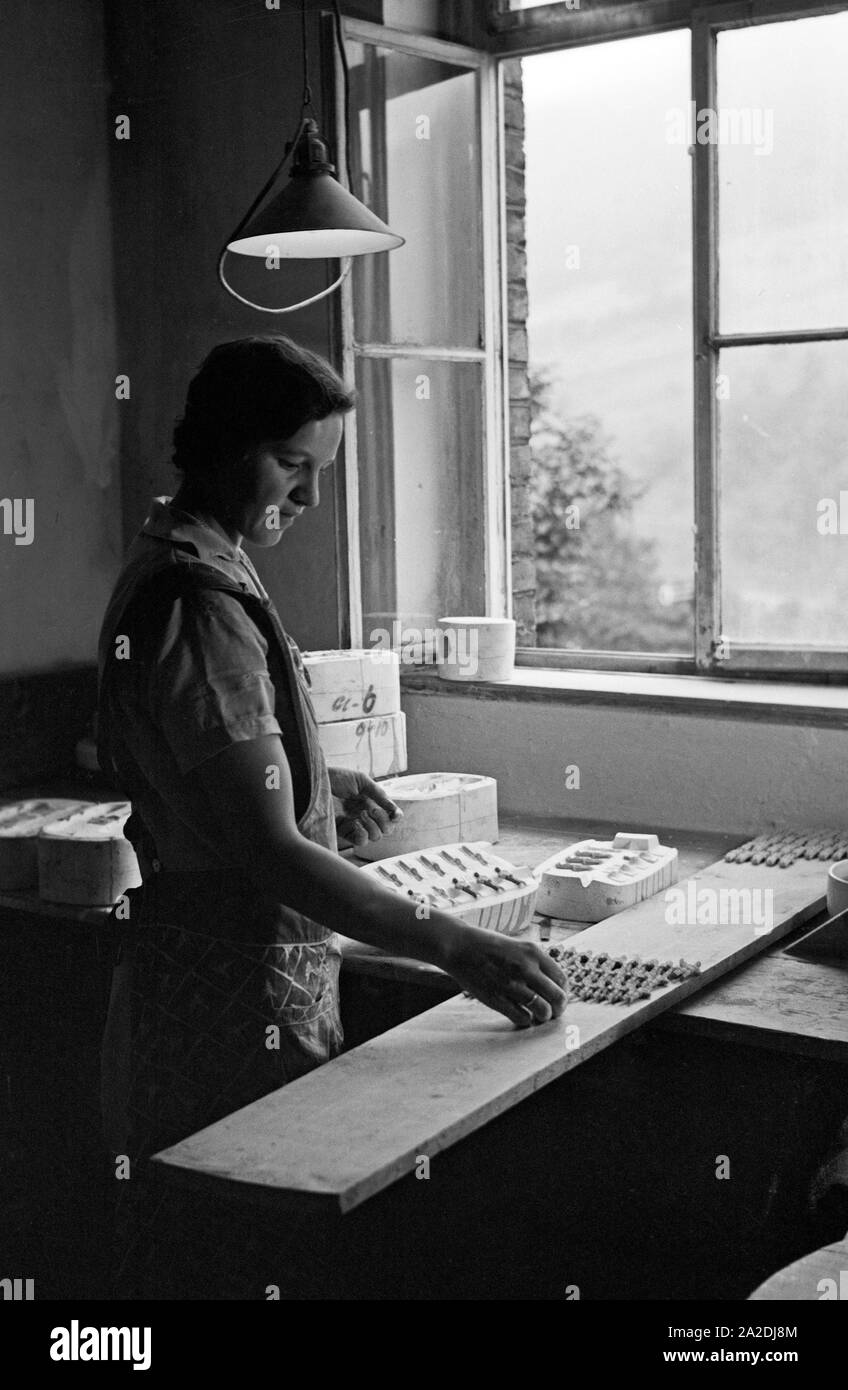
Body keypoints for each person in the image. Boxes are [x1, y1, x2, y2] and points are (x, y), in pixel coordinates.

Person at [97, 335, 565, 1291]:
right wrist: (455, 946)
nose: (308, 498)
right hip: (224, 986)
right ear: (225, 446)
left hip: (244, 963)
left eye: (320, 471)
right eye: (292, 466)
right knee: (243, 1239)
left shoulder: (198, 559)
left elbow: (225, 780)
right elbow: (265, 853)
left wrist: (318, 789)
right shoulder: (199, 601)